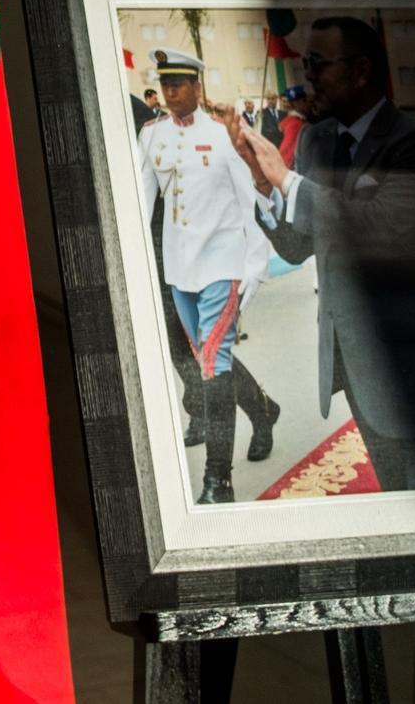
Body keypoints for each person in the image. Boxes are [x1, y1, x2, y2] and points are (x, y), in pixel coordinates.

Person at [239, 17, 415, 491]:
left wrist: (288, 182)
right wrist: (262, 185)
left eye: (317, 62)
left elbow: (383, 230)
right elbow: (298, 247)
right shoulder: (317, 141)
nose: (307, 74)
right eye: (306, 62)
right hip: (359, 371)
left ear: (360, 71)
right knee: (396, 503)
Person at [136, 49, 281, 503]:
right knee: (206, 361)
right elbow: (142, 203)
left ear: (197, 86)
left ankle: (218, 481)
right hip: (179, 268)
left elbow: (250, 201)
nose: (171, 91)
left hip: (222, 263)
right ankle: (264, 410)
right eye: (165, 83)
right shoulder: (152, 136)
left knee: (212, 367)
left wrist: (254, 264)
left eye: (179, 82)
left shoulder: (221, 136)